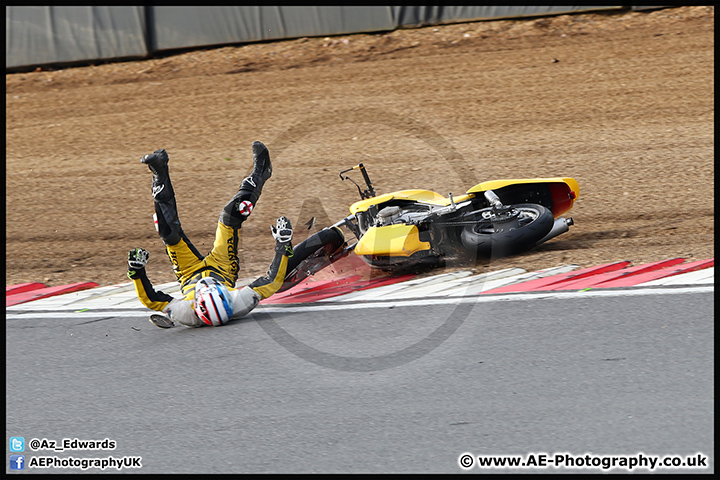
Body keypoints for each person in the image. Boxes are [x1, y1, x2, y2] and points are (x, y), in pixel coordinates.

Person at [127, 141, 295, 328]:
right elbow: (272, 281)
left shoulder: (185, 314)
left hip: (188, 272)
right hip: (223, 267)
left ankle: (159, 171)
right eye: (214, 288)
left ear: (196, 305)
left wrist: (137, 271)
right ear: (227, 297)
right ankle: (261, 172)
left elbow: (151, 299)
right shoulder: (240, 302)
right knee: (230, 215)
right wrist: (283, 243)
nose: (207, 283)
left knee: (167, 232)